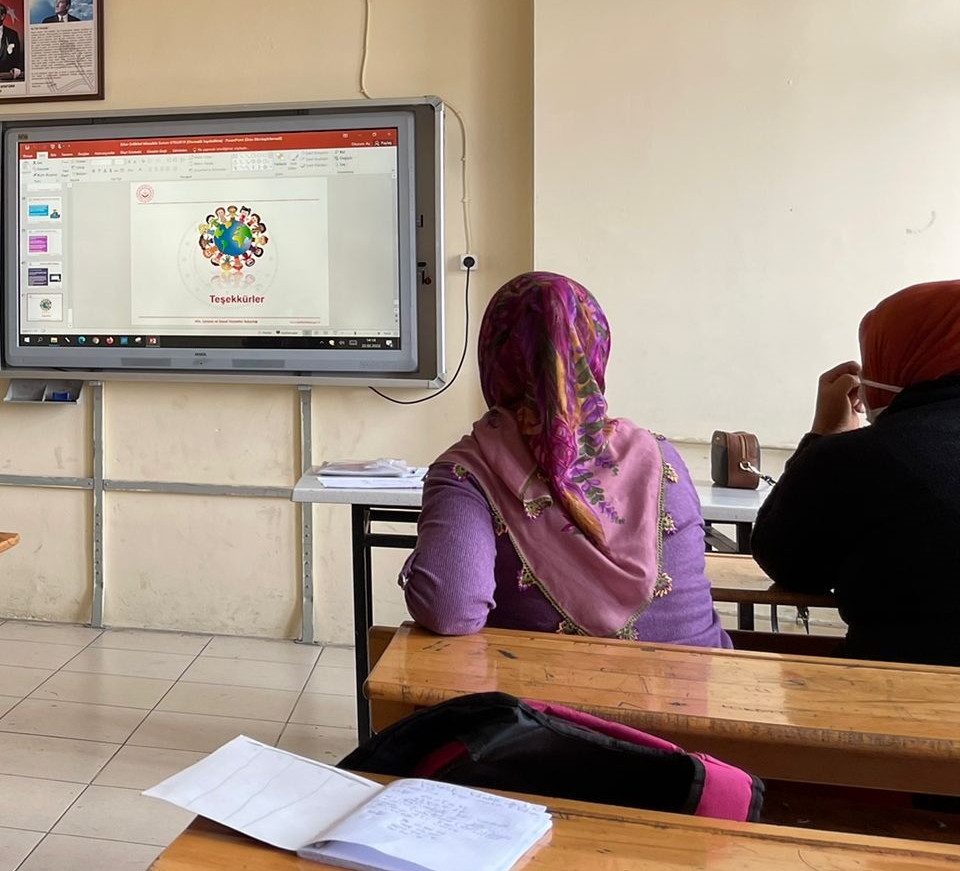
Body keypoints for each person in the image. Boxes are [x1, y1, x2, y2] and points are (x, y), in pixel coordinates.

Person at [400, 271, 728, 647]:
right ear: (595, 353)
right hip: (703, 679)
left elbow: (451, 611)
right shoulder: (659, 454)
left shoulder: (469, 470)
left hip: (550, 686)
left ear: (494, 356)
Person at [752, 281, 960, 664]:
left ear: (897, 357)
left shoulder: (858, 457)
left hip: (897, 687)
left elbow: (789, 563)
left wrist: (823, 434)